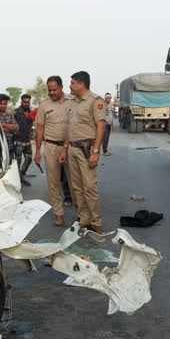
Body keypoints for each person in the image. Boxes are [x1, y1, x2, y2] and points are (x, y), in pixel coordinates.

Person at [59, 71, 106, 234]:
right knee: (76, 188)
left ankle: (96, 222)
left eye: (72, 83)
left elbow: (101, 126)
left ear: (81, 84)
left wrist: (95, 152)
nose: (70, 86)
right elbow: (69, 127)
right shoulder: (72, 102)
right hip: (72, 148)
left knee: (90, 187)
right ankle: (83, 219)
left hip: (87, 149)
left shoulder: (96, 101)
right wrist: (65, 149)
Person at [34, 76, 74, 226]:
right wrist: (38, 151)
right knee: (53, 182)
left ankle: (82, 217)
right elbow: (40, 129)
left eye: (54, 89)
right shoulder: (44, 105)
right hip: (51, 146)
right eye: (49, 90)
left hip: (70, 147)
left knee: (74, 182)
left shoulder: (72, 101)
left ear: (61, 87)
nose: (51, 92)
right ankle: (59, 214)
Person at [0, 93, 23, 184]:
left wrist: (3, 125)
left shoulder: (9, 115)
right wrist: (8, 128)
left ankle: (9, 185)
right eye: (2, 104)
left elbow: (16, 127)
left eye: (5, 104)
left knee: (9, 167)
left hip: (9, 146)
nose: (3, 106)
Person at [14, 93, 35, 184]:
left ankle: (21, 174)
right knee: (18, 161)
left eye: (28, 102)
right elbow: (10, 120)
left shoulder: (31, 112)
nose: (26, 104)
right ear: (21, 101)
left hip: (27, 140)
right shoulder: (16, 111)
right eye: (24, 102)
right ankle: (19, 179)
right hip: (18, 140)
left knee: (29, 159)